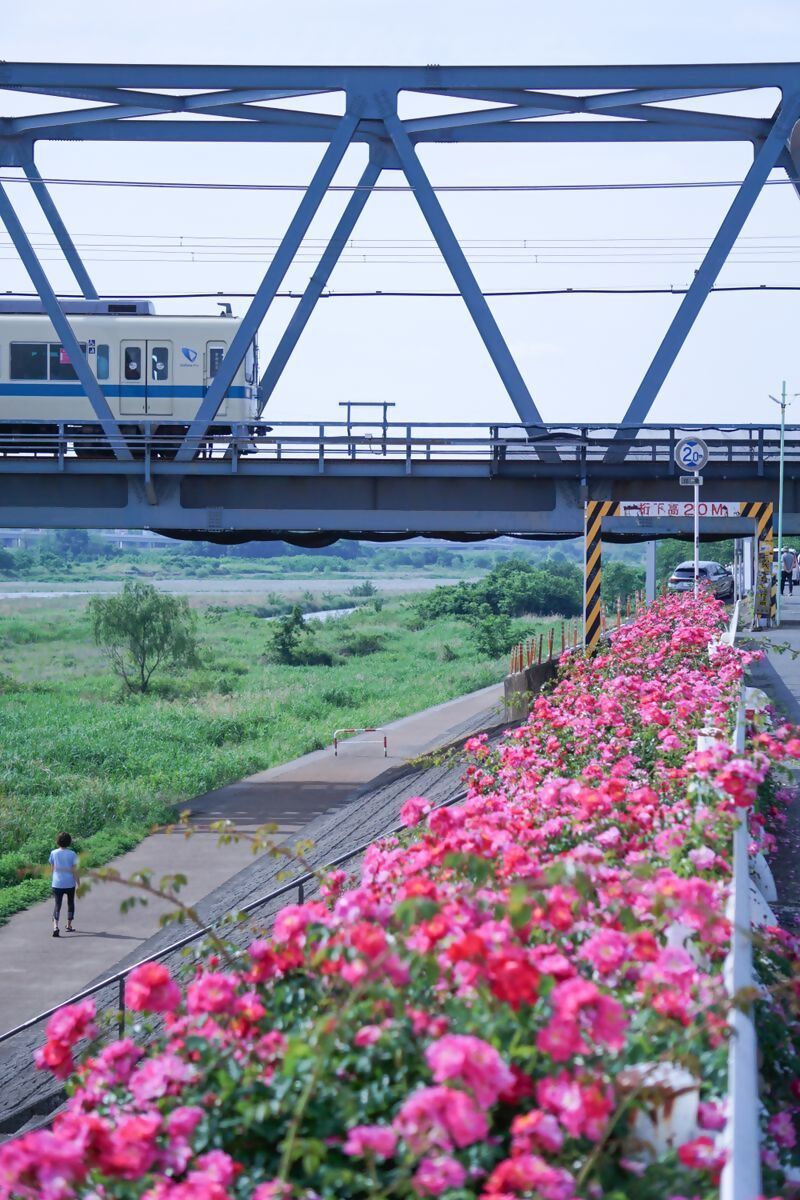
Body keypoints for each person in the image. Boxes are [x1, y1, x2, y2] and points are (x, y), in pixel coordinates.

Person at [49, 831, 79, 937]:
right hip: (70, 883)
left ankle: (55, 926)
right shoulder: (72, 854)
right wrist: (78, 883)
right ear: (69, 842)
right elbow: (75, 870)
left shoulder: (53, 853)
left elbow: (52, 869)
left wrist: (53, 880)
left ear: (58, 841)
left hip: (57, 883)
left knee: (58, 904)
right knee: (70, 903)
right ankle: (69, 925)